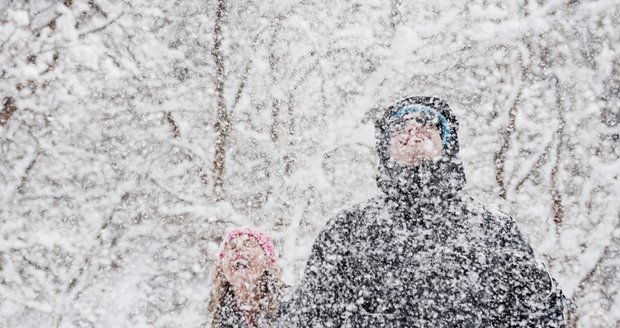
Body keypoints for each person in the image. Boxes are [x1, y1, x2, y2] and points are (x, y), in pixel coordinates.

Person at [279, 96, 566, 327]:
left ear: (448, 144)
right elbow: (307, 316)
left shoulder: (493, 229)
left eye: (427, 122)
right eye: (400, 125)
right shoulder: (347, 230)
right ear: (385, 148)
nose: (413, 129)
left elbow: (541, 312)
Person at [208, 227, 285, 328]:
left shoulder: (292, 303)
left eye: (248, 244)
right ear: (221, 268)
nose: (238, 249)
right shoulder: (218, 318)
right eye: (231, 247)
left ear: (267, 260)